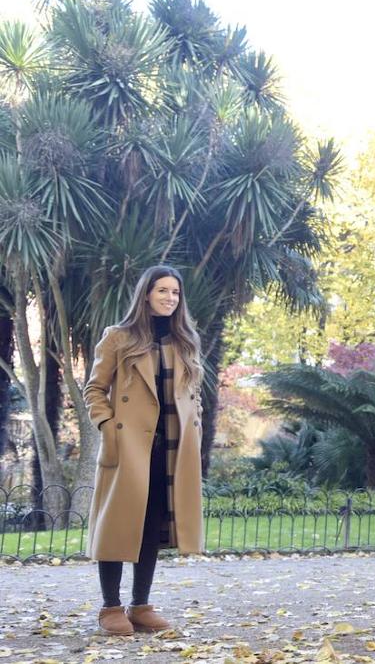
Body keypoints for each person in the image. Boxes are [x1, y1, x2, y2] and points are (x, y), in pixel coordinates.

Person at [84, 266, 205, 635]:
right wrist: (108, 427)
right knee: (118, 525)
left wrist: (194, 422)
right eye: (162, 291)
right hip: (130, 445)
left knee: (152, 526)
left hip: (172, 446)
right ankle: (110, 607)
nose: (170, 298)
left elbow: (192, 394)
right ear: (146, 294)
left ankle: (141, 605)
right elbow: (94, 390)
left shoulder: (185, 340)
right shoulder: (118, 338)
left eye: (175, 292)